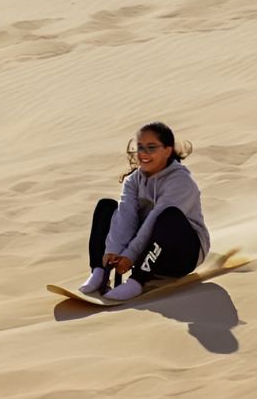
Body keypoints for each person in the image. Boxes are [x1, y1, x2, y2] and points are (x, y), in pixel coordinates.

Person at [79, 122, 210, 300]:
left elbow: (154, 221)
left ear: (167, 151)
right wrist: (114, 251)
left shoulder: (181, 182)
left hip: (181, 255)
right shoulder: (134, 180)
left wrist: (130, 256)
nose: (144, 153)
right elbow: (126, 217)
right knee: (106, 206)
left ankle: (137, 281)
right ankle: (99, 272)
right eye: (140, 147)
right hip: (145, 250)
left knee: (168, 217)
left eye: (151, 147)